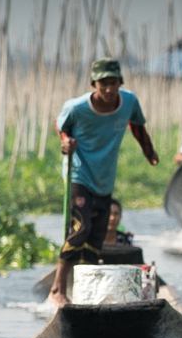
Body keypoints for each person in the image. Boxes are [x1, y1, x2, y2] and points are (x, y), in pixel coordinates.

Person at [49, 59, 158, 305]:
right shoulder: (77, 107)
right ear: (94, 84)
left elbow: (137, 127)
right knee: (80, 229)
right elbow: (61, 126)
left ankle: (84, 292)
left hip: (105, 177)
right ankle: (57, 289)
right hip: (79, 173)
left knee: (96, 237)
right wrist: (65, 141)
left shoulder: (129, 101)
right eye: (103, 84)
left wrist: (148, 152)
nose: (109, 90)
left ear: (120, 82)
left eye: (113, 83)